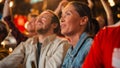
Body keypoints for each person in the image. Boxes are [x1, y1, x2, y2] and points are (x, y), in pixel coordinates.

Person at [0, 10, 70, 68]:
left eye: (44, 17)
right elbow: (8, 62)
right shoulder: (27, 44)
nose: (38, 19)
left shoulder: (62, 44)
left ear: (54, 25)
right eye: (38, 17)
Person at [60, 1, 93, 68]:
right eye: (61, 16)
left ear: (83, 20)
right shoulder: (70, 50)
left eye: (68, 14)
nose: (61, 19)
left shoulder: (90, 48)